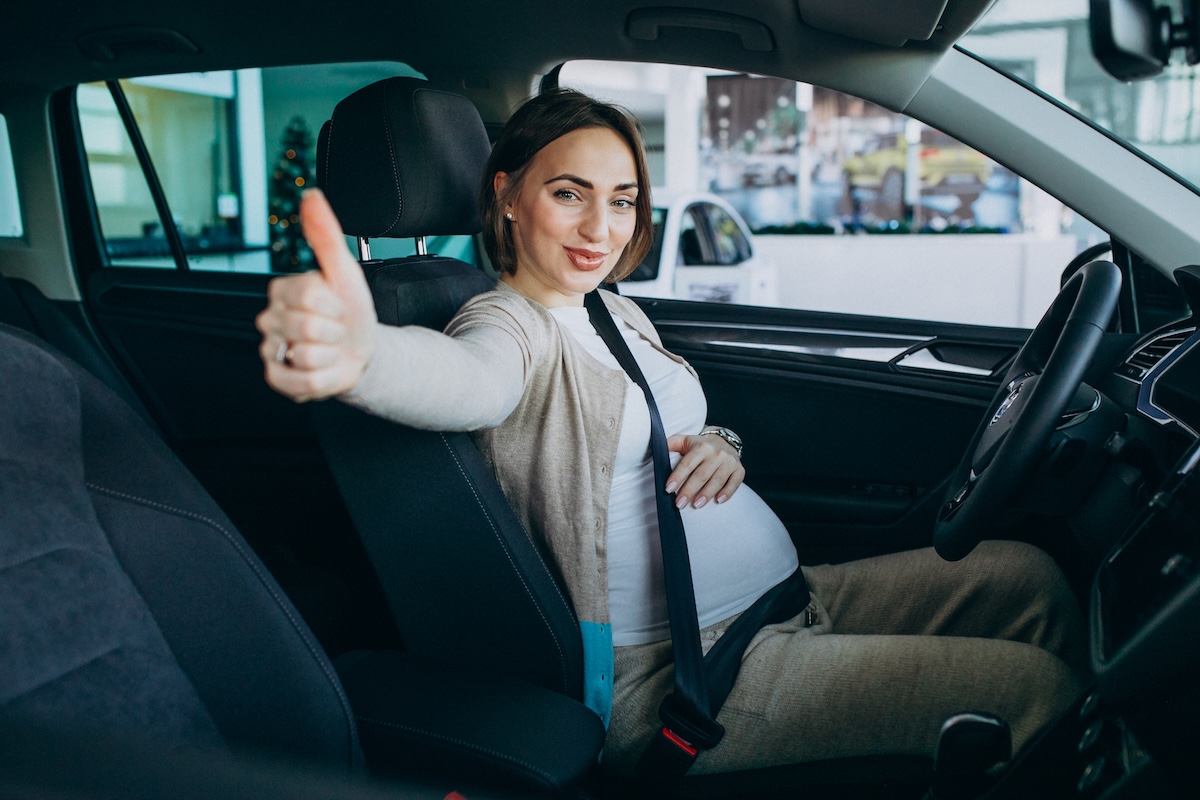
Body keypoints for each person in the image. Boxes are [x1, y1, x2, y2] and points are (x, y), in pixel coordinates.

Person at [256, 89, 1088, 776]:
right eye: (568, 193)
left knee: (1028, 578)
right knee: (1034, 690)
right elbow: (468, 382)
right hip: (689, 676)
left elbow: (661, 422)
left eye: (620, 201)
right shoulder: (507, 323)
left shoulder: (611, 310)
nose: (600, 230)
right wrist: (361, 357)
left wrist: (723, 442)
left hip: (783, 605)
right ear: (507, 193)